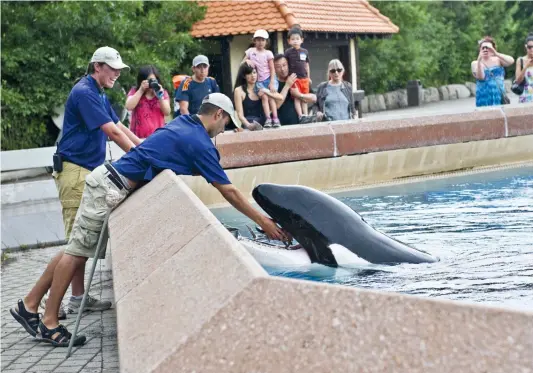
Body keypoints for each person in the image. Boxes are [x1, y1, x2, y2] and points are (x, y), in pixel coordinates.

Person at [10, 93, 290, 347]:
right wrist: (264, 222)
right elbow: (228, 190)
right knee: (78, 254)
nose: (224, 129)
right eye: (226, 122)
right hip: (109, 187)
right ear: (218, 114)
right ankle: (48, 322)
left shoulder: (184, 123)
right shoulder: (198, 142)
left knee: (74, 248)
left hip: (107, 181)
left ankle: (30, 304)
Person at [33, 47, 142, 322]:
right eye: (113, 68)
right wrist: (141, 159)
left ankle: (79, 298)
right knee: (75, 244)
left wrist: (144, 148)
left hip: (85, 172)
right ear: (97, 67)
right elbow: (114, 133)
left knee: (79, 243)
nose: (117, 73)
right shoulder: (85, 92)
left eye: (119, 69)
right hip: (75, 172)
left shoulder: (98, 93)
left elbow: (120, 125)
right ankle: (40, 302)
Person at [242, 29, 280, 128]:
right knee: (264, 97)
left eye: (263, 40)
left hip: (268, 78)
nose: (260, 42)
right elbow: (242, 63)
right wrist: (247, 61)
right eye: (258, 40)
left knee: (271, 97)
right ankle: (268, 118)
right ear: (254, 41)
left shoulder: (268, 53)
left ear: (266, 41)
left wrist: (272, 82)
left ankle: (275, 118)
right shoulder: (250, 51)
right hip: (259, 81)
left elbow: (272, 69)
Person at [125, 65, 171, 138]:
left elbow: (167, 112)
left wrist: (160, 96)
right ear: (142, 80)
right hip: (137, 137)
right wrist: (141, 90)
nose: (151, 83)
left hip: (157, 136)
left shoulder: (162, 92)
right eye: (149, 80)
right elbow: (129, 106)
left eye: (154, 80)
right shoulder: (135, 91)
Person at [234, 63, 281, 131]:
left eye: (254, 72)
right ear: (244, 76)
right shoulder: (239, 90)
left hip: (265, 126)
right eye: (249, 73)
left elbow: (280, 97)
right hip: (248, 126)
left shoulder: (262, 87)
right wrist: (249, 125)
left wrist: (266, 91)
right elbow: (240, 115)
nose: (253, 76)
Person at [273, 54, 317, 125]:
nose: (282, 69)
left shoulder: (298, 79)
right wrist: (287, 85)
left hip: (299, 124)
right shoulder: (273, 84)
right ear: (274, 69)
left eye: (284, 65)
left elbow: (314, 98)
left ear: (289, 65)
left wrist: (299, 95)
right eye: (278, 67)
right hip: (280, 125)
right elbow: (276, 105)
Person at [471, 36, 515, 107]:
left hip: (498, 95)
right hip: (483, 95)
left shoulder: (498, 60)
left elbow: (511, 61)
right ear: (480, 49)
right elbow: (481, 77)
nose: (485, 50)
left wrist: (496, 53)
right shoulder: (475, 63)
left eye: (488, 48)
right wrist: (479, 61)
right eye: (483, 48)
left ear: (493, 48)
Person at [284, 26, 311, 120]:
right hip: (294, 78)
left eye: (297, 39)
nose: (295, 41)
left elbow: (307, 65)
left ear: (301, 40)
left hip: (304, 79)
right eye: (292, 39)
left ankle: (306, 115)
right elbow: (286, 65)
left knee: (304, 98)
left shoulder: (305, 52)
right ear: (289, 41)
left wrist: (308, 77)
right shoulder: (287, 52)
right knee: (297, 97)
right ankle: (300, 116)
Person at [514, 33, 533, 104]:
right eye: (529, 47)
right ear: (526, 47)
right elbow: (518, 81)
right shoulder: (520, 60)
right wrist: (525, 66)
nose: (532, 49)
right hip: (526, 95)